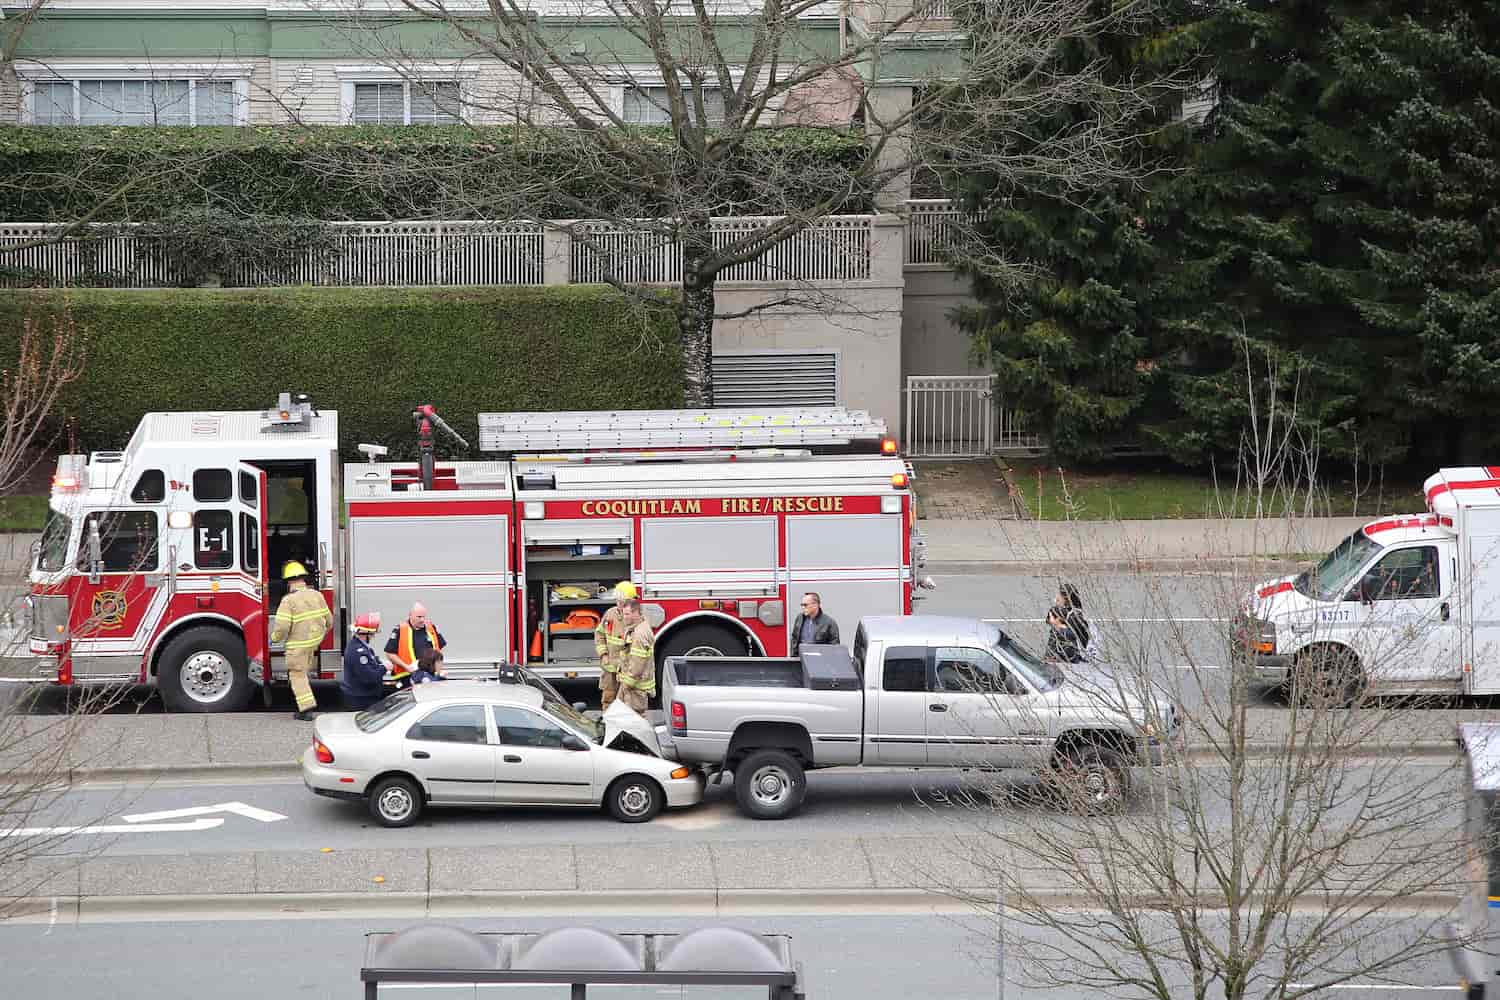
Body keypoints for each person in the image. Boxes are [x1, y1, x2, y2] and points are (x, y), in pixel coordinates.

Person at [270, 560, 333, 720]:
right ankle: (305, 705)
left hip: (297, 647)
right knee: (303, 673)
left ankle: (306, 709)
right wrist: (320, 634)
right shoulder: (317, 595)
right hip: (313, 643)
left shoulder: (288, 600)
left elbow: (282, 627)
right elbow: (329, 621)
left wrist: (274, 639)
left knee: (297, 676)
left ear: (289, 581)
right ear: (304, 579)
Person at [593, 581, 637, 712]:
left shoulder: (636, 618)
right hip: (609, 670)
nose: (618, 603)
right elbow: (600, 635)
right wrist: (604, 655)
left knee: (627, 704)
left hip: (627, 671)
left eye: (622, 600)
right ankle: (609, 725)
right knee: (608, 700)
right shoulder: (610, 614)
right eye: (617, 599)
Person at [385, 602, 446, 687]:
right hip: (406, 676)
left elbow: (440, 649)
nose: (422, 620)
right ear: (410, 615)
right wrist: (406, 667)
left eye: (424, 617)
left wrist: (439, 668)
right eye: (419, 617)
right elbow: (389, 653)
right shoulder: (400, 629)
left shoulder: (431, 627)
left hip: (429, 677)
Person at [614, 598, 656, 713]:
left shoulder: (639, 634)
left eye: (627, 614)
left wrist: (627, 684)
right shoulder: (639, 626)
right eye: (623, 613)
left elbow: (637, 664)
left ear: (636, 613)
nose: (624, 617)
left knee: (635, 719)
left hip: (635, 687)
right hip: (633, 685)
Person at [341, 612, 387, 710]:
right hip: (362, 700)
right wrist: (385, 667)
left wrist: (379, 662)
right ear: (365, 634)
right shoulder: (359, 652)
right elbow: (369, 677)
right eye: (372, 634)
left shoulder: (359, 647)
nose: (373, 637)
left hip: (362, 697)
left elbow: (371, 662)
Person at [1045, 582, 1091, 664]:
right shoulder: (1059, 611)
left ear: (1066, 599)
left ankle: (1051, 658)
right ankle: (1050, 658)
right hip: (1060, 654)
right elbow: (1049, 618)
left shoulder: (1075, 615)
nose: (1056, 598)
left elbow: (1075, 635)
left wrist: (1059, 625)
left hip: (1070, 657)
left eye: (1059, 596)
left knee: (1056, 631)